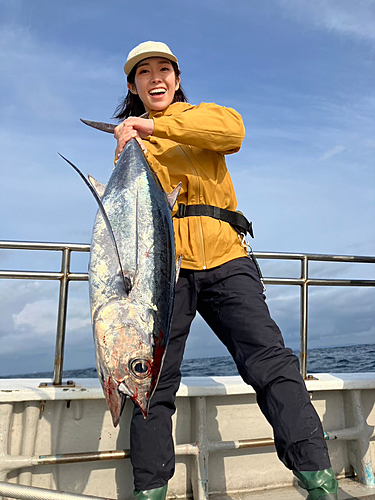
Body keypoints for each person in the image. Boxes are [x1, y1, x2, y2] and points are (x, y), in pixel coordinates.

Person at [113, 41, 339, 500]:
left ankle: (318, 478)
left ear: (176, 79)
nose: (155, 78)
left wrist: (155, 126)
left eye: (163, 70)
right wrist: (126, 149)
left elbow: (230, 133)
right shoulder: (133, 143)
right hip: (164, 271)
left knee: (272, 366)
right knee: (150, 380)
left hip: (226, 259)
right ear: (133, 86)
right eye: (144, 73)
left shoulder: (204, 116)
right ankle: (150, 491)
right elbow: (129, 214)